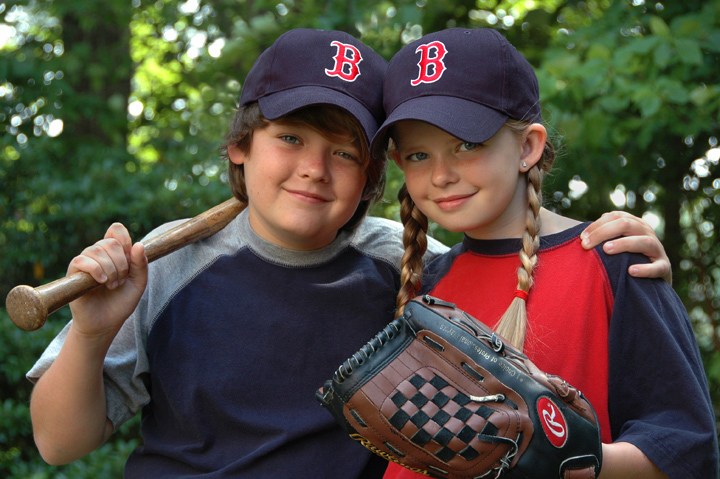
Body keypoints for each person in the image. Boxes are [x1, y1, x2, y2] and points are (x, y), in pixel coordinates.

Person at [26, 28, 673, 479]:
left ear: (370, 177)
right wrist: (91, 331)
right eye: (290, 136)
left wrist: (621, 248)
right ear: (240, 144)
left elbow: (514, 254)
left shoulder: (407, 265)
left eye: (343, 151)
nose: (313, 168)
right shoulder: (163, 263)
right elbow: (59, 443)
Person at [370, 28, 718, 479]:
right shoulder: (424, 282)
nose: (441, 175)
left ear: (527, 147)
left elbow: (687, 451)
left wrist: (575, 454)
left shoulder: (613, 260)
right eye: (419, 155)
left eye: (468, 145)